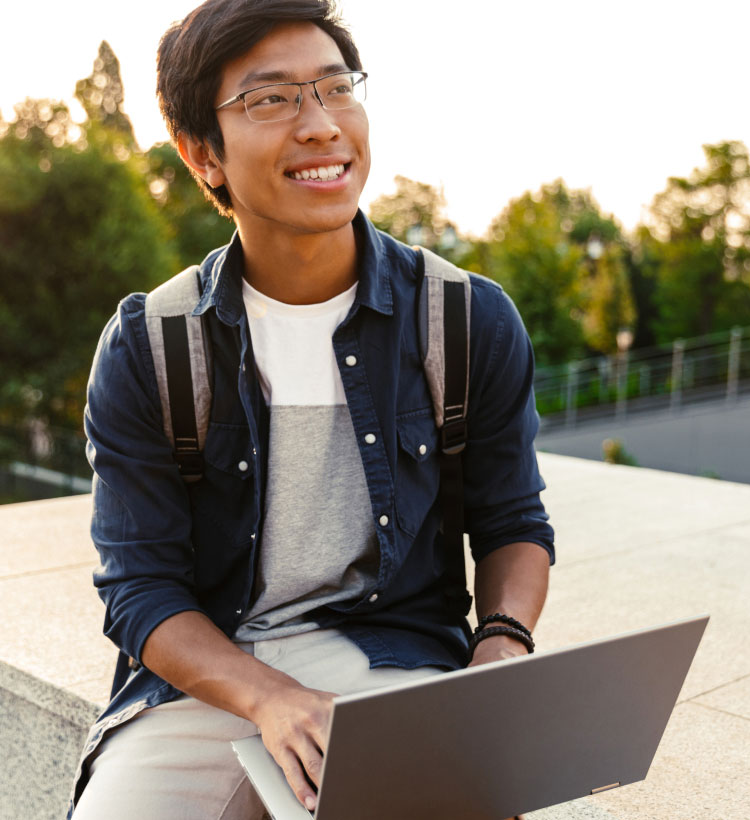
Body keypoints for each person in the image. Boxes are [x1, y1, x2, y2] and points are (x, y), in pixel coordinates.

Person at [68, 1, 554, 817]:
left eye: (337, 88)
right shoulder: (149, 347)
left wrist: (503, 647)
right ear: (202, 156)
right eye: (272, 99)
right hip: (207, 679)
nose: (321, 124)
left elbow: (512, 523)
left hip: (394, 659)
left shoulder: (467, 320)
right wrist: (266, 695)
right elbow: (141, 590)